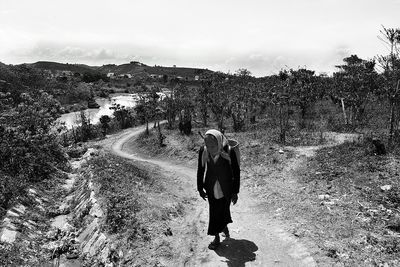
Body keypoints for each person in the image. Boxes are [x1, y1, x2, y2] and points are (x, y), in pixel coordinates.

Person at [197, 129, 240, 250]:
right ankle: (216, 237)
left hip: (226, 188)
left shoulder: (229, 152)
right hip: (211, 188)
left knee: (224, 210)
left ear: (219, 142)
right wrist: (200, 188)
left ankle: (224, 226)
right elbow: (200, 170)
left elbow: (236, 172)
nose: (210, 148)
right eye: (208, 145)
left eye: (213, 145)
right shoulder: (203, 151)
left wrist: (235, 192)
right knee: (214, 212)